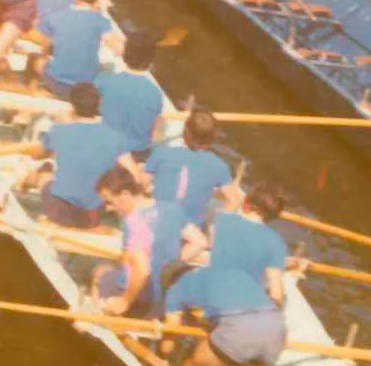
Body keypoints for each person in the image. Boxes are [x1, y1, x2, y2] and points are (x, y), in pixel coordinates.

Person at [163, 265, 287, 366]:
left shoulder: (177, 289)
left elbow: (170, 338)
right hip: (277, 333)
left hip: (240, 331)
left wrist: (165, 346)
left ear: (171, 283)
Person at [94, 165, 205, 317]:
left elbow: (143, 269)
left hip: (141, 299)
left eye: (109, 202)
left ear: (125, 194)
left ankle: (100, 317)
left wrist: (124, 301)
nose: (108, 208)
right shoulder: (172, 210)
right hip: (164, 293)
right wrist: (169, 264)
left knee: (101, 272)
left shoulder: (133, 224)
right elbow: (200, 242)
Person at [17, 82, 130, 230]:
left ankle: (20, 188)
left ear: (72, 106)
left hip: (58, 211)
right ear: (99, 105)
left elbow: (36, 156)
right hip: (91, 217)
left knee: (45, 168)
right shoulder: (115, 137)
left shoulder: (59, 131)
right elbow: (132, 173)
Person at [142, 108, 236, 227]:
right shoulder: (219, 166)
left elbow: (143, 183)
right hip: (190, 230)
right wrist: (216, 226)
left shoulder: (161, 153)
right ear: (212, 139)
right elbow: (234, 201)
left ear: (185, 131)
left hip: (157, 223)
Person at [40, 0, 121, 99]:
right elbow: (119, 49)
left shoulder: (56, 17)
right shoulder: (101, 22)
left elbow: (44, 48)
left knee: (37, 61)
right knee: (109, 68)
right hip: (83, 90)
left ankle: (35, 89)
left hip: (55, 84)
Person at [205, 181, 287, 305]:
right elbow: (276, 295)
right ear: (274, 215)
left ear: (247, 202)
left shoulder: (223, 219)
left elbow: (211, 245)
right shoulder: (276, 242)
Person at [95, 29, 163, 161]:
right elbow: (153, 132)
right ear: (151, 62)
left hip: (108, 144)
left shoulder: (104, 81)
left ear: (124, 54)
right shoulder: (155, 95)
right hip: (136, 153)